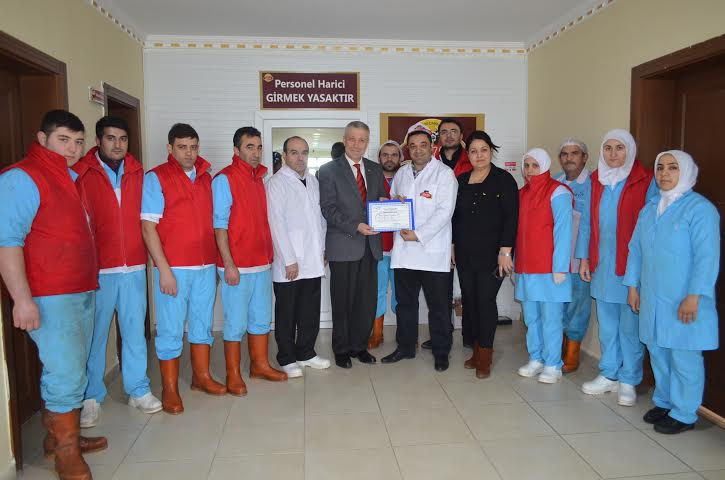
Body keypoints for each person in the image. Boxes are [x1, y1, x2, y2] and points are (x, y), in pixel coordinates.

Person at [0, 110, 107, 480]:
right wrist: (22, 299)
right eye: (64, 140)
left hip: (80, 287)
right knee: (65, 371)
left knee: (72, 367)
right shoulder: (21, 177)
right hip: (50, 293)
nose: (73, 149)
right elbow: (7, 242)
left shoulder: (70, 177)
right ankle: (66, 453)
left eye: (78, 142)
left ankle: (58, 439)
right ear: (42, 138)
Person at [74, 116, 162, 428]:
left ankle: (138, 390)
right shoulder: (82, 174)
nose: (117, 144)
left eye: (123, 139)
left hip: (134, 267)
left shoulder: (138, 173)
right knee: (95, 336)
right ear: (99, 141)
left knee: (134, 332)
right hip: (98, 270)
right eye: (111, 138)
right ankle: (90, 396)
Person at [625, 150, 720, 434]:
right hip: (653, 296)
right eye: (661, 168)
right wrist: (632, 286)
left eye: (673, 168)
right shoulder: (650, 209)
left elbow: (707, 257)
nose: (664, 173)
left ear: (687, 171)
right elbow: (635, 250)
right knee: (658, 352)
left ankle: (685, 413)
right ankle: (665, 402)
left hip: (684, 298)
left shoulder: (700, 209)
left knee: (684, 357)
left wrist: (695, 295)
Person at [142, 123, 225, 414]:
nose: (189, 153)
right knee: (170, 329)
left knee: (202, 324)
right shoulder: (156, 178)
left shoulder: (206, 178)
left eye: (193, 147)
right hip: (173, 268)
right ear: (170, 148)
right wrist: (163, 270)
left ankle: (201, 377)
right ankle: (169, 388)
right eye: (182, 147)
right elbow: (148, 228)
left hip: (204, 267)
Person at [577, 129, 656, 406]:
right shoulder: (596, 180)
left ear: (630, 150)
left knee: (630, 327)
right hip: (602, 265)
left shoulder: (645, 180)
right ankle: (609, 373)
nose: (613, 154)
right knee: (607, 325)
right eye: (608, 148)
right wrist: (584, 258)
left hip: (631, 266)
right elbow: (586, 222)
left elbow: (650, 227)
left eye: (619, 148)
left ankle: (629, 379)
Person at [213, 126, 287, 386]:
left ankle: (260, 365)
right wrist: (228, 264)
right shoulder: (224, 179)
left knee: (261, 318)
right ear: (236, 150)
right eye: (249, 147)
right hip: (237, 266)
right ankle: (233, 374)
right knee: (235, 322)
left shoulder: (259, 179)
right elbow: (219, 226)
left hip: (261, 264)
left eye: (259, 147)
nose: (256, 153)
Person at [381, 128, 458, 371]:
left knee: (438, 307)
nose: (417, 150)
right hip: (404, 252)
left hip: (432, 252)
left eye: (422, 144)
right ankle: (405, 347)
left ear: (431, 147)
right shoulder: (402, 173)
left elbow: (444, 212)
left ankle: (441, 351)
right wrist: (390, 204)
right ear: (408, 149)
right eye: (412, 146)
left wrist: (419, 234)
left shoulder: (444, 174)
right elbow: (395, 200)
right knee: (405, 304)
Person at [318, 121, 388, 368]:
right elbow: (328, 209)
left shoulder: (375, 169)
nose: (357, 144)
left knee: (366, 301)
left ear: (367, 142)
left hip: (370, 246)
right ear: (344, 140)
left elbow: (378, 201)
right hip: (343, 244)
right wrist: (355, 225)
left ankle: (359, 346)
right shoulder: (328, 170)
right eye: (352, 139)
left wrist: (391, 204)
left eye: (362, 140)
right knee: (342, 302)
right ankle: (341, 350)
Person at [453, 131, 518, 378]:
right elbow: (454, 217)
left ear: (491, 151)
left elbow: (511, 218)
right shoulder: (461, 180)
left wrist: (506, 251)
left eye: (483, 150)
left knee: (485, 300)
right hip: (465, 252)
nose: (478, 155)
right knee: (470, 301)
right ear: (467, 154)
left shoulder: (504, 180)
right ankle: (477, 349)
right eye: (473, 151)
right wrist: (452, 245)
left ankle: (486, 355)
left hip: (494, 254)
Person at [266, 136, 330, 377]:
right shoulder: (276, 183)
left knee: (309, 310)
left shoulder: (313, 181)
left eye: (304, 152)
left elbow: (320, 219)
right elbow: (276, 223)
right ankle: (286, 357)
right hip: (289, 262)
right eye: (294, 152)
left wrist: (322, 249)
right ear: (285, 155)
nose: (300, 157)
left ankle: (306, 353)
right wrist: (289, 259)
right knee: (287, 312)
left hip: (313, 258)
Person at [515, 148, 573, 384]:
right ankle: (536, 358)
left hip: (550, 270)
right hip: (526, 268)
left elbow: (564, 231)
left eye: (535, 165)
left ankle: (553, 364)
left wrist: (560, 267)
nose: (530, 170)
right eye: (526, 165)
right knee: (531, 318)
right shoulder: (521, 194)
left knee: (551, 318)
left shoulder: (559, 192)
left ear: (546, 166)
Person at [420, 118, 473, 351]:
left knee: (470, 287)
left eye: (454, 131)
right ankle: (442, 335)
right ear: (438, 137)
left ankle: (471, 335)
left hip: (467, 232)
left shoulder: (472, 160)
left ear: (461, 136)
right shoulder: (430, 163)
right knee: (441, 291)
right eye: (444, 132)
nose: (449, 135)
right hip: (438, 234)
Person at [555, 138, 592, 373]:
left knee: (578, 304)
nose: (569, 158)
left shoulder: (592, 184)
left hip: (580, 259)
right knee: (559, 303)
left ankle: (572, 352)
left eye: (574, 153)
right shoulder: (556, 182)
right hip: (558, 257)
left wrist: (585, 256)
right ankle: (557, 347)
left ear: (584, 157)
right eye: (564, 154)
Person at [367, 140, 403, 349]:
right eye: (385, 154)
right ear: (379, 157)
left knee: (402, 294)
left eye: (394, 154)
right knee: (377, 292)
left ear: (400, 158)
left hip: (402, 249)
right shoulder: (370, 179)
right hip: (378, 248)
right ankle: (377, 333)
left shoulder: (407, 178)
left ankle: (405, 334)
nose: (389, 158)